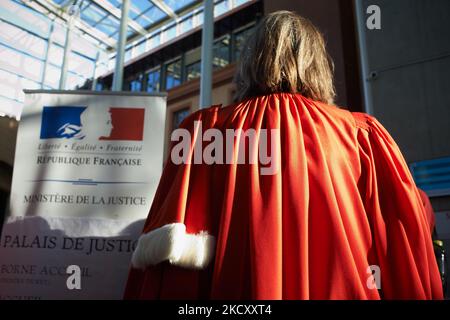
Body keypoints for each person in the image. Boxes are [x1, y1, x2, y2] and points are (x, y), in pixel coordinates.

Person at [124, 11, 443, 299]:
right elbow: (406, 223)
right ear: (318, 63)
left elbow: (167, 246)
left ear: (251, 61)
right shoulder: (362, 134)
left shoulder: (205, 129)